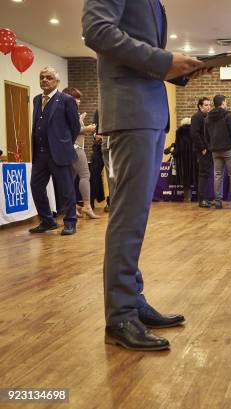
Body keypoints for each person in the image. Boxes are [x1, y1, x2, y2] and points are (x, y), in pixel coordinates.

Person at [83, 0, 210, 351]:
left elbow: (139, 48)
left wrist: (177, 70)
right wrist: (163, 60)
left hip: (148, 113)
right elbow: (96, 30)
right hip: (131, 112)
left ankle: (132, 301)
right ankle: (120, 314)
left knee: (135, 218)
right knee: (128, 217)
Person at [28, 67, 81, 236]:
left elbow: (75, 126)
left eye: (49, 77)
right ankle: (47, 221)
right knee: (36, 187)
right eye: (42, 77)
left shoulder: (66, 100)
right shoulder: (37, 99)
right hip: (40, 154)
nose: (44, 80)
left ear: (56, 81)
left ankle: (70, 222)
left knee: (66, 190)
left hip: (59, 153)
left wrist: (65, 143)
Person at [203, 95, 231, 209]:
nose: (226, 104)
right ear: (223, 103)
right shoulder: (228, 115)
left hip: (215, 151)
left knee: (218, 175)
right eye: (226, 102)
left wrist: (211, 146)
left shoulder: (208, 117)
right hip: (228, 149)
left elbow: (206, 134)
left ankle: (218, 202)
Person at [62, 87, 100, 219]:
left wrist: (82, 122)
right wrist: (87, 128)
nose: (78, 101)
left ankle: (72, 207)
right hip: (76, 148)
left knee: (71, 178)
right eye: (76, 98)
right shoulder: (68, 112)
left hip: (69, 148)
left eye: (79, 98)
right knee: (85, 175)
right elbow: (73, 130)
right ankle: (87, 206)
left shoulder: (66, 111)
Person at [191, 97, 214, 207]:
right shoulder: (197, 117)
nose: (209, 107)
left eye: (209, 105)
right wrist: (203, 148)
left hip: (209, 150)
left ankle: (206, 198)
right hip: (203, 150)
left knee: (207, 174)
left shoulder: (208, 117)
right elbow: (195, 134)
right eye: (206, 105)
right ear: (200, 106)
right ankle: (202, 200)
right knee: (203, 175)